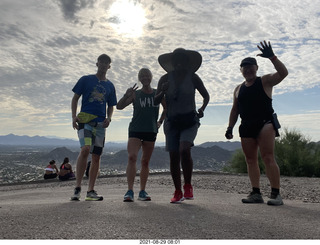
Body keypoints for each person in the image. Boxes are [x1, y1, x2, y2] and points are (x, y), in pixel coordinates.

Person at [225, 41, 288, 206]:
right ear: (241, 71)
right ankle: (256, 193)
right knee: (250, 160)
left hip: (265, 123)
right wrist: (230, 127)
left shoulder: (265, 81)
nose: (248, 69)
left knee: (268, 157)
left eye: (251, 66)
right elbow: (234, 110)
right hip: (246, 125)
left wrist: (273, 57)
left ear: (256, 68)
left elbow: (283, 73)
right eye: (244, 67)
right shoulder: (238, 89)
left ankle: (276, 194)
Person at [154, 48, 210, 203]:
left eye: (182, 60)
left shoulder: (193, 78)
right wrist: (162, 91)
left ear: (187, 62)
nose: (179, 63)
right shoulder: (164, 79)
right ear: (172, 62)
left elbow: (206, 96)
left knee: (184, 149)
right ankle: (177, 191)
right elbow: (155, 101)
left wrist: (202, 109)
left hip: (190, 120)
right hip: (171, 121)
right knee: (173, 155)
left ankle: (188, 186)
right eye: (176, 60)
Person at [71, 54, 117, 201]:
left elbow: (111, 105)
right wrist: (73, 116)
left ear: (109, 66)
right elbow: (75, 98)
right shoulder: (86, 79)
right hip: (85, 119)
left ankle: (90, 190)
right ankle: (77, 187)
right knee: (85, 149)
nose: (104, 65)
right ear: (97, 63)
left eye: (106, 63)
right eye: (101, 62)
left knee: (96, 156)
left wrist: (109, 118)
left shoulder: (110, 86)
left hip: (100, 124)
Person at [117, 68, 166, 202]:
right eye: (142, 76)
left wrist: (160, 122)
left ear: (151, 77)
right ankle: (130, 190)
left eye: (147, 75)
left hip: (151, 130)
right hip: (135, 129)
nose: (145, 78)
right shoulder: (135, 94)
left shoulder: (158, 93)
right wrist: (126, 95)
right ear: (139, 79)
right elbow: (119, 107)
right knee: (132, 157)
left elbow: (167, 108)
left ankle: (142, 191)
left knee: (145, 161)